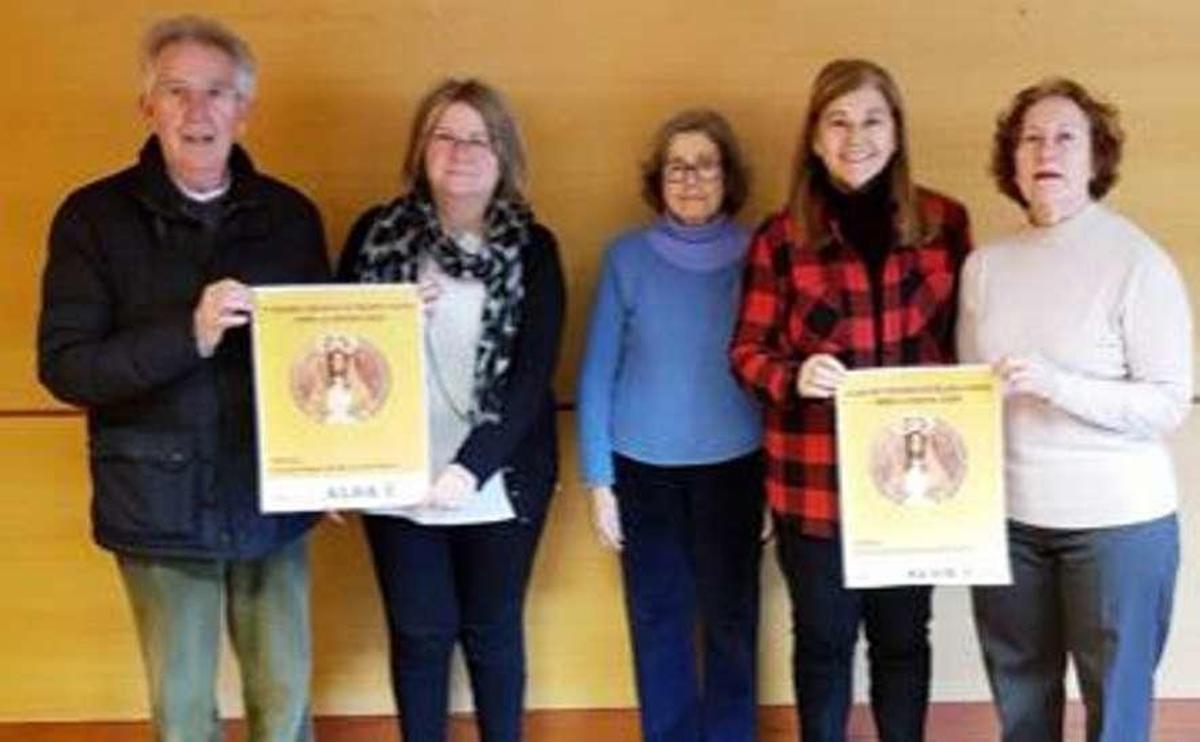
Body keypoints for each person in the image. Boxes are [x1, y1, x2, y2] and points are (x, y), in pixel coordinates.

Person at [36, 15, 329, 741]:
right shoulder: (92, 218)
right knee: (183, 715)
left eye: (217, 92)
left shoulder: (291, 216)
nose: (198, 112)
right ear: (148, 107)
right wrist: (187, 337)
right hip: (157, 506)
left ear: (244, 109)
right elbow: (66, 367)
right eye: (176, 92)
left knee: (286, 703)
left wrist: (338, 467)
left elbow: (323, 357)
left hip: (273, 494)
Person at [729, 59, 972, 741]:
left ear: (896, 131)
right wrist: (792, 376)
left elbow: (966, 347)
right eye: (836, 121)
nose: (854, 136)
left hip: (916, 487)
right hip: (816, 487)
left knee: (903, 642)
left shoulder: (945, 223)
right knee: (825, 645)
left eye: (871, 119)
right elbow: (745, 354)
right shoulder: (779, 239)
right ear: (813, 137)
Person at [958, 78, 1192, 742]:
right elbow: (972, 389)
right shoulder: (986, 266)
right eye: (1030, 138)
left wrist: (1059, 384)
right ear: (1013, 160)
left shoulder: (1137, 262)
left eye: (1066, 136)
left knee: (1115, 708)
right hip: (1009, 525)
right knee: (1022, 701)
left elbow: (1168, 401)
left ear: (1096, 159)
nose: (1045, 150)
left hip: (1119, 527)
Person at [337, 78, 565, 742]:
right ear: (419, 148)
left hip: (496, 475)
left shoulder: (532, 246)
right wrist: (392, 321)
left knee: (493, 632)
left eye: (479, 138)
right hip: (396, 472)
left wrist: (470, 468)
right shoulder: (375, 235)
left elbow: (531, 376)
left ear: (504, 155)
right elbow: (339, 350)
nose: (460, 151)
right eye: (444, 134)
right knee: (419, 633)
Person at [576, 109, 764, 741]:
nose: (690, 179)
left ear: (727, 177)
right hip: (642, 470)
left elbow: (773, 365)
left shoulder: (761, 252)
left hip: (737, 468)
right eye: (676, 167)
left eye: (705, 165)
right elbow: (597, 371)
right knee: (659, 620)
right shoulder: (625, 257)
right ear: (658, 179)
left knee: (732, 622)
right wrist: (599, 481)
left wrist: (773, 485)